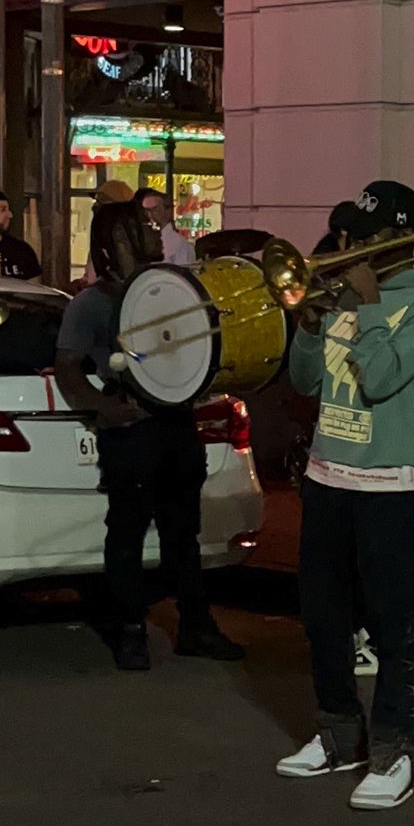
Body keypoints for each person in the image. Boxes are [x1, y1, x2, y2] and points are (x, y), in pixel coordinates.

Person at [273, 180, 414, 811]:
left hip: (384, 487)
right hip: (326, 478)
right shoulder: (344, 296)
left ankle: (393, 751)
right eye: (353, 238)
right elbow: (303, 381)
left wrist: (371, 306)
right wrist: (310, 325)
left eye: (369, 240)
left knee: (395, 626)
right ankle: (336, 734)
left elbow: (378, 380)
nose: (353, 251)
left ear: (398, 242)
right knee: (324, 619)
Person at [53, 201, 244, 670]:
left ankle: (196, 626)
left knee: (184, 533)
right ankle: (130, 630)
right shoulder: (92, 303)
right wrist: (102, 408)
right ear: (116, 241)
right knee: (127, 533)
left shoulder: (168, 290)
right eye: (140, 227)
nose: (154, 231)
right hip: (131, 429)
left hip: (176, 423)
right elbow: (67, 367)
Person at [134, 187, 196, 267]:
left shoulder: (179, 244)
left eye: (154, 209)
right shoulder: (140, 241)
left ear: (167, 210)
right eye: (146, 210)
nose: (149, 215)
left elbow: (182, 275)